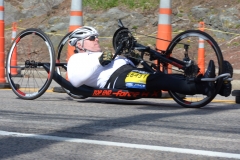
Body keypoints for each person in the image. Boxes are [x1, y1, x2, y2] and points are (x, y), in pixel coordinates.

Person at [67, 26, 230, 96]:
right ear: (80, 43)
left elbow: (123, 62)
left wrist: (134, 57)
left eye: (97, 37)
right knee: (160, 79)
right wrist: (101, 60)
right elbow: (76, 81)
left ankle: (217, 87)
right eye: (92, 38)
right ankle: (206, 88)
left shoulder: (99, 54)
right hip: (117, 80)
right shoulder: (77, 59)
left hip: (128, 72)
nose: (97, 40)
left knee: (169, 77)